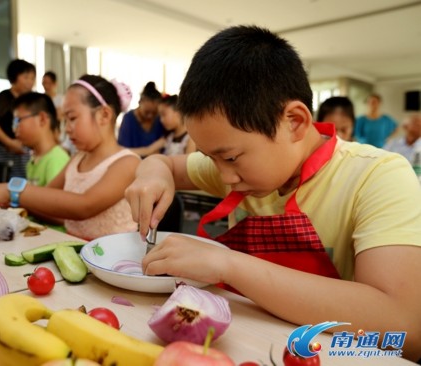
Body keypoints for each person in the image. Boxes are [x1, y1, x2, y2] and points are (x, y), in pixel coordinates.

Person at [124, 26, 421, 361]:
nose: (224, 176)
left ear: (294, 121)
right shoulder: (238, 167)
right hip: (243, 345)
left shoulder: (377, 176)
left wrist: (229, 265)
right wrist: (152, 174)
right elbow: (164, 162)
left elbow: (405, 328)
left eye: (231, 157)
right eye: (211, 158)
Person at [0, 75, 140, 240]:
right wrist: (9, 201)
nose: (67, 128)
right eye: (65, 120)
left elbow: (84, 206)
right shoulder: (77, 159)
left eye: (72, 118)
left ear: (104, 115)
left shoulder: (127, 163)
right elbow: (46, 202)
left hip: (110, 265)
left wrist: (12, 190)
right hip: (73, 256)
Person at [0, 59, 36, 183]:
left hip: (20, 153)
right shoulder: (4, 98)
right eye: (26, 77)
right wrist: (10, 142)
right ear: (14, 77)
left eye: (32, 78)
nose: (30, 82)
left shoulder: (28, 101)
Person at [12, 92, 69, 186]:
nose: (14, 129)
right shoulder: (33, 161)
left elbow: (55, 199)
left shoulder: (56, 159)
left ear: (42, 119)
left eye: (18, 121)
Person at [117, 81, 166, 157]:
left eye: (154, 113)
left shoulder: (159, 120)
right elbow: (123, 151)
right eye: (147, 112)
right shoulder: (129, 119)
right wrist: (149, 150)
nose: (150, 116)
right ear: (139, 103)